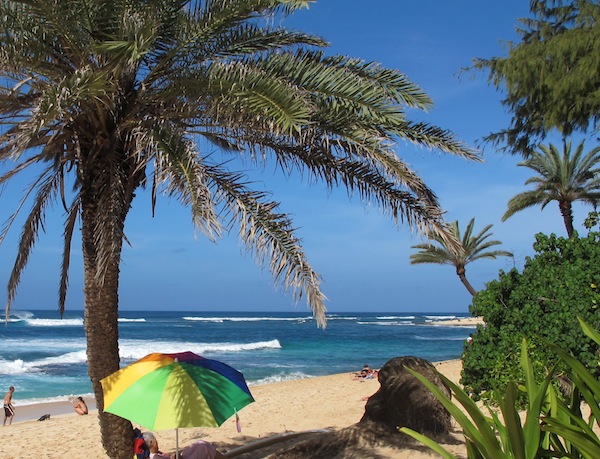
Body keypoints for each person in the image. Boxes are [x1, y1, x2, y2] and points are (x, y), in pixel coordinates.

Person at [141, 432, 225, 459]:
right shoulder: (156, 457)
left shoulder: (151, 456)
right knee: (203, 447)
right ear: (152, 443)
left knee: (199, 445)